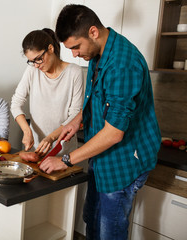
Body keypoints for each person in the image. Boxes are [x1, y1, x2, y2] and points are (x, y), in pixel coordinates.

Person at [39, 4, 161, 240]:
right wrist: (76, 122)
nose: (74, 54)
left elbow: (115, 133)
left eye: (75, 47)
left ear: (93, 32)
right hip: (102, 156)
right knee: (91, 220)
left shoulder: (123, 63)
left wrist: (65, 160)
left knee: (109, 231)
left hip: (124, 159)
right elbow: (98, 101)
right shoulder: (96, 53)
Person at [10, 28, 84, 156]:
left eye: (38, 59)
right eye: (31, 61)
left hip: (63, 150)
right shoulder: (32, 70)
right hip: (35, 150)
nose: (36, 65)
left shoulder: (74, 72)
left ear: (50, 49)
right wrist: (27, 131)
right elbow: (16, 103)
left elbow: (75, 115)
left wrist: (51, 138)